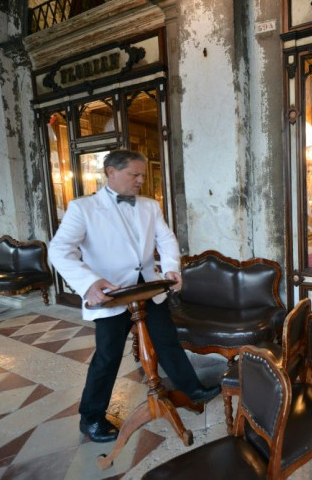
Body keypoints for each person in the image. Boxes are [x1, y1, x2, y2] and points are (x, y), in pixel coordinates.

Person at [49, 149, 220, 443]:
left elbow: (165, 239)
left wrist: (170, 268)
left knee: (166, 340)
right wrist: (88, 283)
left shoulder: (150, 206)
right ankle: (90, 418)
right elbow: (59, 251)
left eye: (143, 174)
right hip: (112, 294)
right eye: (134, 174)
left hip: (148, 288)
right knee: (107, 356)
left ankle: (191, 389)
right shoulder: (83, 208)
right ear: (111, 173)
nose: (141, 179)